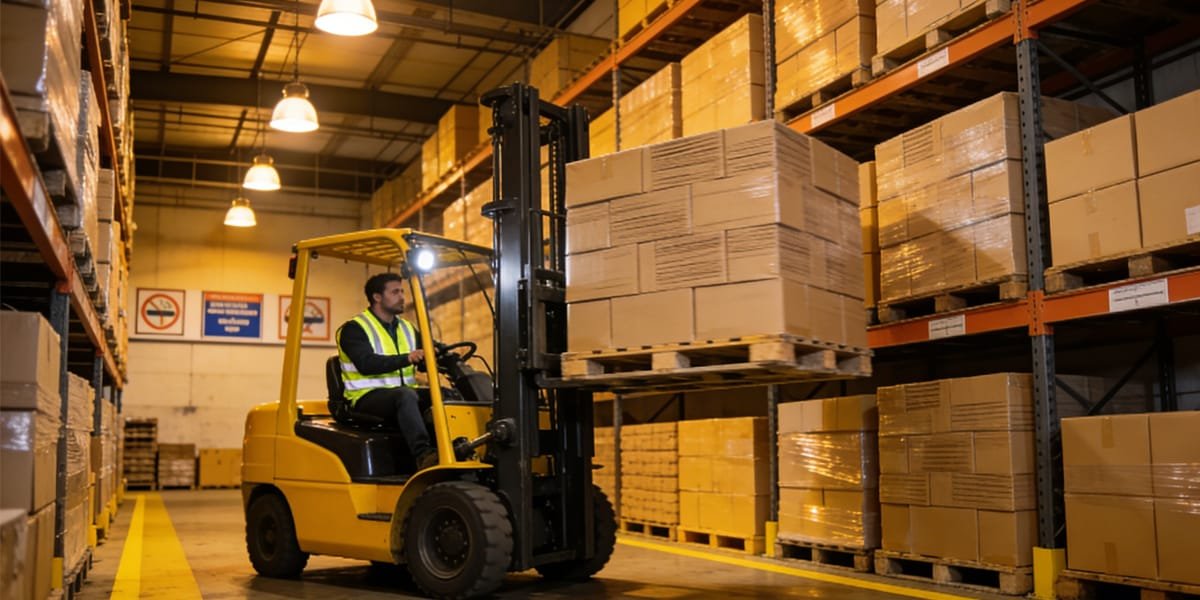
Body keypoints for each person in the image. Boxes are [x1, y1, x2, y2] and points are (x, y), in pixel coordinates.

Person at [336, 272, 438, 470]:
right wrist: (408, 357)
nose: (402, 297)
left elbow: (425, 354)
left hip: (402, 393)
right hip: (365, 397)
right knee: (405, 396)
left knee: (444, 395)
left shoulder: (407, 327)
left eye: (402, 291)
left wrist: (439, 354)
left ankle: (455, 448)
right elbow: (367, 364)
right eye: (395, 292)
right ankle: (424, 455)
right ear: (377, 297)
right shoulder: (354, 329)